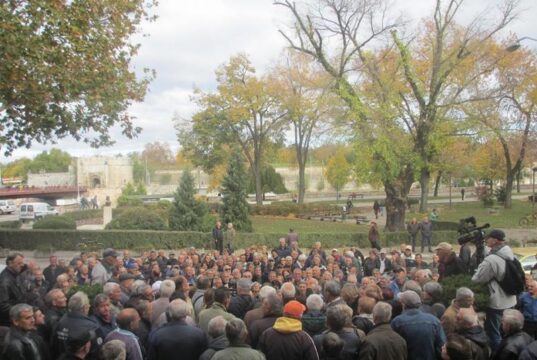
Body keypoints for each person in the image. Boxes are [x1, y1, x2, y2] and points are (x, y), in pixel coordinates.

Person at [471, 229, 517, 351]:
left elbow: (477, 279)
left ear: (495, 240)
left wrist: (476, 272)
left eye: (488, 238)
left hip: (497, 302)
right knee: (507, 331)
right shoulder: (508, 253)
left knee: (494, 333)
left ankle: (499, 354)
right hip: (510, 299)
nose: (486, 240)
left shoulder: (492, 260)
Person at [391, 291, 446, 360]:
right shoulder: (434, 321)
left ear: (403, 305)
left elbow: (392, 347)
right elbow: (442, 345)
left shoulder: (396, 322)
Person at [0, 253, 25, 327]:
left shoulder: (16, 275)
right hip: (9, 322)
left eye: (22, 262)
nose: (22, 265)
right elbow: (3, 305)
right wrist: (21, 311)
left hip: (18, 319)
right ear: (10, 263)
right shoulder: (4, 281)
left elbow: (21, 295)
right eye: (19, 263)